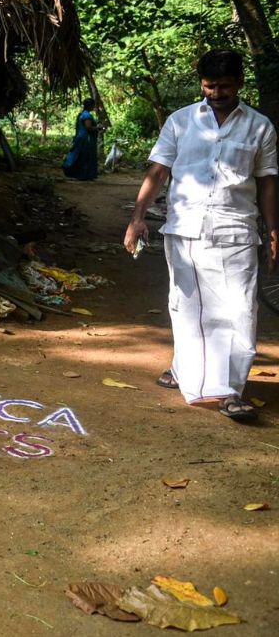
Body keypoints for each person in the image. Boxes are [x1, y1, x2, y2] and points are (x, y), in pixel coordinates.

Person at [124, 49, 278, 422]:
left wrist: (274, 231)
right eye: (209, 86)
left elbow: (268, 182)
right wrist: (137, 218)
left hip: (237, 229)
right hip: (186, 229)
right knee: (189, 308)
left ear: (240, 83)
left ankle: (228, 390)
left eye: (224, 86)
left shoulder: (260, 127)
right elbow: (158, 172)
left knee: (239, 310)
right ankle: (188, 371)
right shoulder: (180, 122)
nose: (216, 93)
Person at [62, 98, 100, 180]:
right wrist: (98, 128)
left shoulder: (82, 114)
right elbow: (88, 127)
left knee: (81, 155)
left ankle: (81, 174)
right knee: (85, 156)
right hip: (85, 139)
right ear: (90, 105)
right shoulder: (87, 115)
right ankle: (82, 175)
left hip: (81, 137)